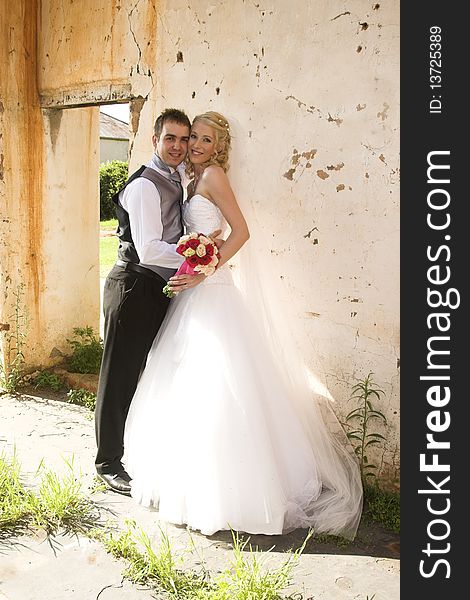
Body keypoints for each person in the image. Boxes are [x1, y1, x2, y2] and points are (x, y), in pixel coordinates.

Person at [123, 111, 363, 538]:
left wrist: (207, 267)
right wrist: (194, 262)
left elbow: (242, 230)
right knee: (188, 382)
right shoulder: (187, 180)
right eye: (191, 137)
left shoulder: (212, 176)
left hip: (212, 291)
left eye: (204, 140)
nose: (194, 145)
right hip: (191, 293)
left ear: (219, 147)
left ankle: (236, 491)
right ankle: (190, 479)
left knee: (221, 382)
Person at [95, 108, 218, 494]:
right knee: (119, 376)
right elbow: (148, 249)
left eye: (185, 139)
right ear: (155, 140)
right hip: (133, 286)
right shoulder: (146, 185)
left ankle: (136, 451)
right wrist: (197, 256)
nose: (180, 146)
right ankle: (107, 462)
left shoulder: (177, 176)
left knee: (147, 374)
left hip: (155, 290)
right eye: (171, 138)